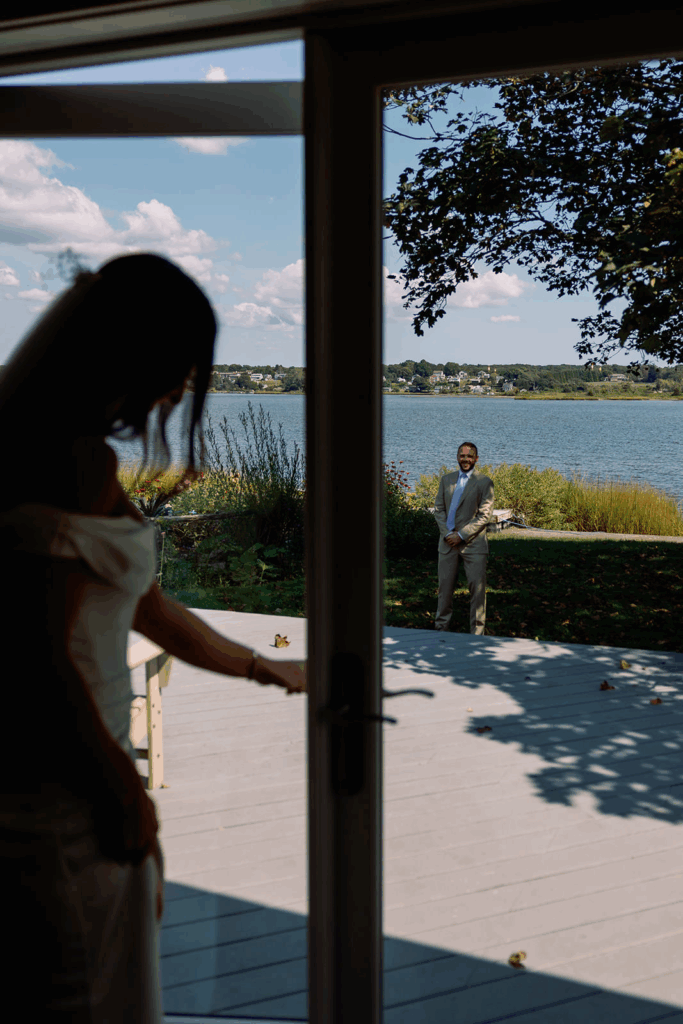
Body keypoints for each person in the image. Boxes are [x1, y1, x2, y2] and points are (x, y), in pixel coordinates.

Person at [0, 252, 306, 1022]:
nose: (178, 390)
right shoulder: (70, 462)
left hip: (64, 770)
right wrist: (124, 792)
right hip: (61, 784)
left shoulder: (52, 451)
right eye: (179, 368)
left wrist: (264, 670)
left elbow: (144, 604)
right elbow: (38, 661)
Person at [433, 442, 495, 635]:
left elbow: (485, 515)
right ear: (457, 457)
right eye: (462, 456)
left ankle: (477, 637)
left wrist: (461, 535)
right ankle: (441, 630)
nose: (465, 459)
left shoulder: (485, 482)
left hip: (473, 545)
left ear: (476, 459)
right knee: (444, 592)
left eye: (470, 456)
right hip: (447, 544)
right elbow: (439, 509)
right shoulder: (446, 480)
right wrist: (447, 534)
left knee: (477, 593)